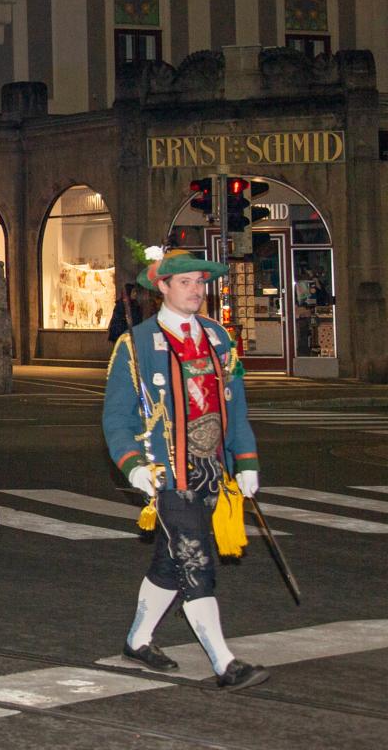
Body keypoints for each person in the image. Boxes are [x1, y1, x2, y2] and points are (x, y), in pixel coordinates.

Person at [103, 246, 268, 690]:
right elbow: (116, 417)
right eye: (185, 282)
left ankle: (137, 640)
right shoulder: (136, 344)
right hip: (168, 472)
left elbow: (235, 405)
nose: (196, 290)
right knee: (195, 561)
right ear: (162, 287)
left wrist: (245, 461)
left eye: (200, 282)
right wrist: (134, 466)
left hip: (212, 470)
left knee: (170, 562)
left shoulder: (218, 337)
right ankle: (224, 663)